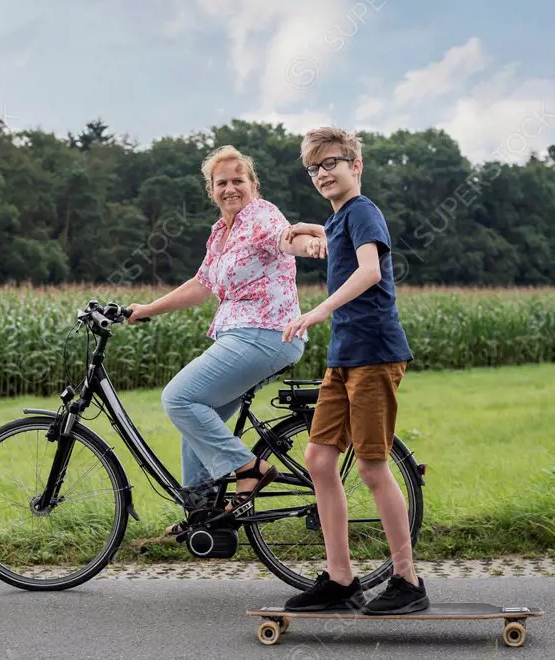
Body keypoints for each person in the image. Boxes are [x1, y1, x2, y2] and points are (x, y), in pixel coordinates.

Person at [126, 145, 326, 535]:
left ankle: (248, 467)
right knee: (200, 423)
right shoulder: (221, 233)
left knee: (178, 398)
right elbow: (201, 286)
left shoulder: (261, 215)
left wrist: (310, 242)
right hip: (245, 337)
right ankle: (207, 522)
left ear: (253, 185)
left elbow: (286, 239)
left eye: (239, 180)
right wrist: (147, 308)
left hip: (264, 334)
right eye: (222, 183)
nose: (231, 188)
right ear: (211, 190)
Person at [279, 126, 427, 614]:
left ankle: (408, 581)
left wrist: (319, 310)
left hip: (374, 354)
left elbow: (369, 271)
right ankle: (341, 579)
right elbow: (332, 238)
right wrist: (306, 229)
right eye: (314, 168)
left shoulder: (364, 212)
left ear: (355, 166)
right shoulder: (341, 218)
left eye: (332, 164)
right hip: (344, 358)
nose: (322, 174)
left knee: (371, 465)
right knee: (320, 460)